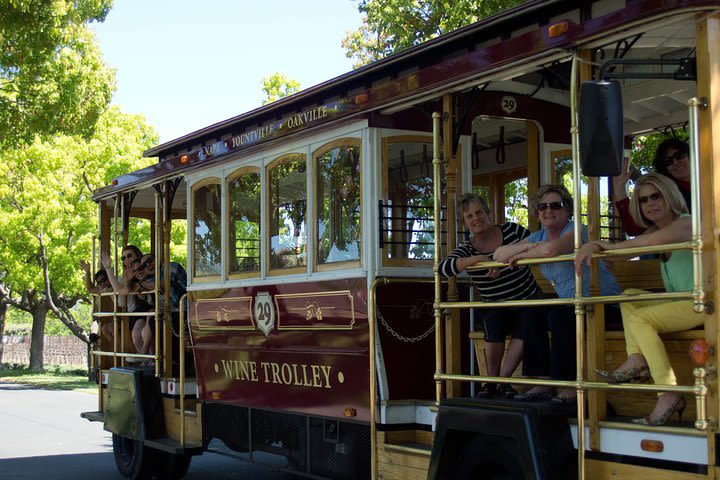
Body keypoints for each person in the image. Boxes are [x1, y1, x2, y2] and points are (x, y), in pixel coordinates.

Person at [575, 172, 695, 425]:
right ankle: (637, 359)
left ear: (669, 196)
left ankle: (668, 392)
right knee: (629, 296)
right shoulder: (655, 230)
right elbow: (626, 251)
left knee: (641, 319)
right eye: (643, 200)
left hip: (702, 301)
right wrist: (595, 247)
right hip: (681, 301)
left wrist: (603, 246)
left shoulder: (687, 224)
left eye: (656, 196)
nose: (650, 204)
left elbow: (646, 242)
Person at [494, 185, 621, 404]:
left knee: (559, 316)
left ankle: (567, 384)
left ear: (568, 210)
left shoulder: (576, 230)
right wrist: (527, 248)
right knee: (533, 311)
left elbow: (550, 251)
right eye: (542, 206)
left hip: (603, 303)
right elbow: (499, 254)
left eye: (555, 205)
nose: (548, 210)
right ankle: (543, 381)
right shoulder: (539, 236)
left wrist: (528, 250)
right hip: (571, 304)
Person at [438, 193, 547, 398]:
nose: (475, 218)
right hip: (497, 307)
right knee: (493, 317)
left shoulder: (512, 231)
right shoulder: (467, 248)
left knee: (530, 317)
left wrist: (512, 256)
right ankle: (491, 383)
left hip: (527, 299)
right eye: (469, 216)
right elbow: (444, 268)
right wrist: (481, 259)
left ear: (488, 213)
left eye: (479, 212)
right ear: (465, 223)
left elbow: (537, 244)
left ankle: (501, 382)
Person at [613, 138, 691, 236]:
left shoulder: (714, 181)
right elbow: (636, 229)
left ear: (690, 155)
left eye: (679, 155)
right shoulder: (664, 191)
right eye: (668, 161)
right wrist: (619, 188)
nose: (675, 162)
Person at [100, 246, 152, 356]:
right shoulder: (130, 275)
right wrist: (108, 268)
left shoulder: (146, 270)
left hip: (154, 309)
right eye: (123, 258)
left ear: (138, 255)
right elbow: (121, 290)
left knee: (144, 330)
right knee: (137, 335)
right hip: (142, 311)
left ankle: (152, 360)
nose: (127, 260)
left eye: (129, 256)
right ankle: (146, 360)